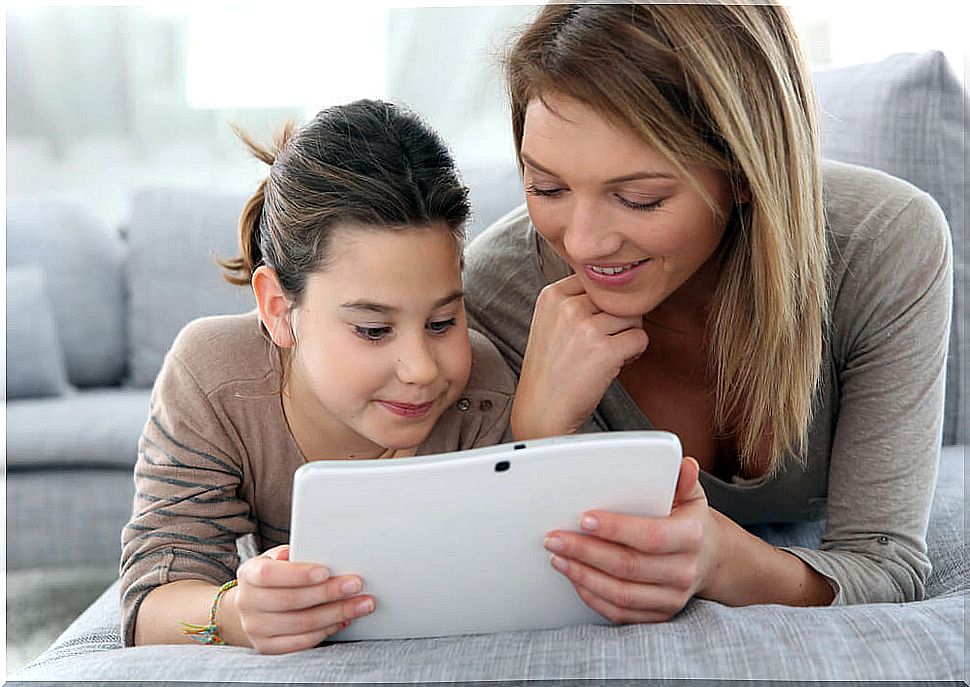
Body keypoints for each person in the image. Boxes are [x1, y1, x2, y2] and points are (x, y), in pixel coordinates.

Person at [464, 1, 952, 622]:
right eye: (547, 187)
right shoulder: (500, 290)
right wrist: (536, 435)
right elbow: (511, 567)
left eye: (639, 198)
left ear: (746, 171)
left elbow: (883, 563)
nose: (583, 243)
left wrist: (723, 561)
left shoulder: (885, 243)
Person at [121, 99, 515, 654]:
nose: (423, 369)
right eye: (374, 329)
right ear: (280, 309)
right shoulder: (213, 378)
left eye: (443, 321)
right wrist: (234, 614)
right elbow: (149, 607)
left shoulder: (486, 392)